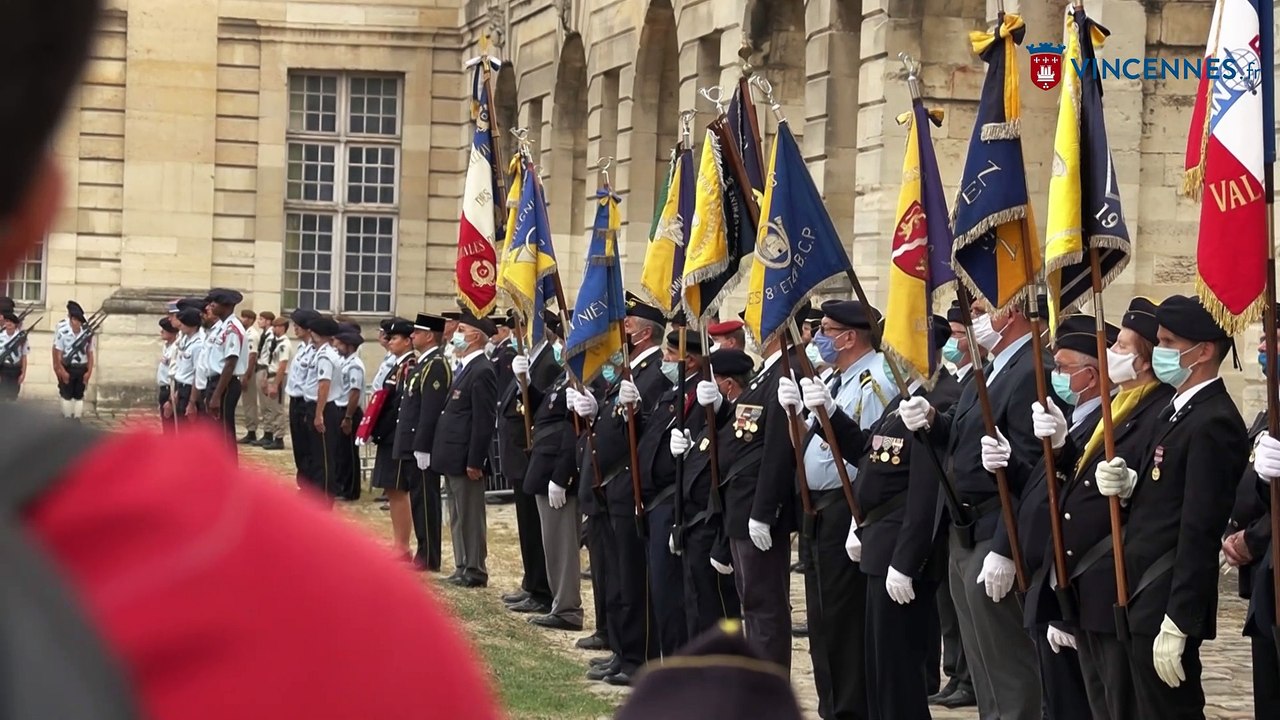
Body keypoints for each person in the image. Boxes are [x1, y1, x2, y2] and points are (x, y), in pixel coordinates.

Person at [6, 2, 500, 713]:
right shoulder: (354, 616)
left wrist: (220, 395)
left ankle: (334, 492)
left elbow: (269, 377)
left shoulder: (244, 344)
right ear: (40, 207)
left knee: (310, 456)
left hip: (282, 406)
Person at [900, 300, 1063, 720]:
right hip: (965, 529)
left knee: (1009, 667)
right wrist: (931, 418)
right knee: (982, 662)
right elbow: (960, 431)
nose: (973, 320)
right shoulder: (991, 368)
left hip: (995, 529)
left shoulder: (1032, 371)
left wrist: (1007, 548)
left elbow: (1035, 473)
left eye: (980, 308)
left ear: (1011, 312)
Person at [1094, 294, 1248, 719]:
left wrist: (1181, 618)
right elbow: (1165, 498)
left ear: (1203, 351)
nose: (1159, 350)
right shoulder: (1176, 412)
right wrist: (1130, 487)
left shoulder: (1213, 421)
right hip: (1142, 594)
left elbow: (1199, 529)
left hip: (1164, 599)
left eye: (1167, 342)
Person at [799, 316, 956, 720]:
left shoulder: (937, 401)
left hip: (900, 553)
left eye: (900, 346)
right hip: (879, 545)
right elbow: (869, 453)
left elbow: (925, 493)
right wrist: (829, 412)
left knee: (899, 675)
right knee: (881, 668)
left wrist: (906, 562)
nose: (891, 354)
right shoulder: (904, 396)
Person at [982, 314, 1117, 720]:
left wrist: (1063, 605)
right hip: (1045, 579)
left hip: (1069, 585)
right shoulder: (1074, 420)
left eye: (1062, 367)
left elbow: (1082, 510)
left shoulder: (1104, 425)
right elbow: (1044, 491)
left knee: (1072, 704)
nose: (1054, 375)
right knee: (1054, 700)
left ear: (1090, 376)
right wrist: (1009, 465)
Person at [1044, 297, 1169, 720]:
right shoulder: (1120, 405)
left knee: (1122, 705)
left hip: (1118, 582)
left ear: (1144, 361)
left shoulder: (1157, 411)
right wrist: (1061, 448)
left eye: (1120, 347)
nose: (1111, 352)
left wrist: (1133, 488)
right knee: (1101, 703)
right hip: (1088, 585)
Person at [777, 299, 894, 720]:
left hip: (847, 510)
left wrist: (860, 518)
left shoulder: (874, 380)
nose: (817, 338)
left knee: (844, 624)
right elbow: (809, 442)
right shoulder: (833, 378)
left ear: (848, 337)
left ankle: (850, 710)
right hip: (819, 510)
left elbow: (872, 455)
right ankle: (832, 707)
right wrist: (794, 413)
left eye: (825, 330)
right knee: (823, 622)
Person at [701, 306, 808, 673]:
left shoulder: (787, 372)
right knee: (752, 603)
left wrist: (764, 512)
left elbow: (778, 450)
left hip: (757, 510)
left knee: (765, 607)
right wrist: (720, 407)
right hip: (741, 506)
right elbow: (745, 432)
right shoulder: (767, 372)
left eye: (757, 324)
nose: (752, 331)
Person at [572, 293, 669, 686]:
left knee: (632, 578)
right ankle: (621, 650)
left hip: (631, 486)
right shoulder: (630, 370)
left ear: (644, 333)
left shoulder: (657, 372)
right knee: (615, 575)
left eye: (627, 325)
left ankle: (638, 657)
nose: (620, 330)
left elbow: (652, 429)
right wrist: (595, 410)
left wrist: (638, 410)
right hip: (610, 486)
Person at [637, 328, 712, 656]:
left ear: (689, 360)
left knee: (673, 596)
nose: (663, 360)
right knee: (661, 592)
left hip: (674, 502)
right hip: (655, 501)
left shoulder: (702, 395)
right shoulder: (673, 392)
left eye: (669, 355)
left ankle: (679, 667)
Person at [668, 348, 746, 637]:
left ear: (728, 385)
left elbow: (734, 482)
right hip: (694, 528)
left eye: (713, 382)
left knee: (717, 613)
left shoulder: (739, 421)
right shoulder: (713, 422)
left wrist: (723, 545)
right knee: (697, 609)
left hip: (714, 531)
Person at [930, 300, 983, 708]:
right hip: (948, 508)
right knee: (949, 603)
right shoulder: (957, 383)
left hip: (969, 508)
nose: (955, 342)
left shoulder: (960, 386)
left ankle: (967, 676)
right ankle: (956, 672)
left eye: (960, 334)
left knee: (966, 604)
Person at [518, 322, 584, 632]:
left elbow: (574, 431)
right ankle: (559, 603)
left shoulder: (582, 379)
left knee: (563, 547)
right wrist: (525, 381)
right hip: (543, 468)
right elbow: (544, 410)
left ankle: (568, 609)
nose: (560, 346)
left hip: (557, 472)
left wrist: (562, 476)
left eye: (565, 340)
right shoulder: (563, 376)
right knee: (552, 546)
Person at [497, 310, 560, 616]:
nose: (515, 333)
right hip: (520, 457)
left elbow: (545, 409)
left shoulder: (547, 363)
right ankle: (531, 582)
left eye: (521, 327)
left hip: (531, 455)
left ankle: (541, 590)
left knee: (535, 528)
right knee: (526, 526)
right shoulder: (529, 360)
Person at [432, 313, 498, 588]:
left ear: (475, 336)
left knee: (470, 515)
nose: (455, 334)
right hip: (452, 455)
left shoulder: (482, 370)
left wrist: (475, 460)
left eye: (461, 329)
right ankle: (462, 564)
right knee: (457, 514)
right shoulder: (465, 367)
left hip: (466, 457)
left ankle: (475, 568)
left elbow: (483, 421)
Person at [394, 313, 450, 572]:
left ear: (429, 336)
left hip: (421, 444)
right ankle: (422, 551)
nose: (412, 336)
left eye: (417, 332)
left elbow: (430, 410)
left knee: (426, 501)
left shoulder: (435, 364)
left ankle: (428, 556)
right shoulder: (423, 363)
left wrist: (423, 446)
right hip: (411, 441)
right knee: (418, 499)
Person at [370, 318, 417, 557]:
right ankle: (398, 542)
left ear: (408, 341)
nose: (390, 342)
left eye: (395, 338)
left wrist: (382, 429)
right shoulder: (397, 365)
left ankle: (403, 545)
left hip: (396, 436)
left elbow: (400, 405)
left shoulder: (409, 366)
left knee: (398, 490)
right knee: (391, 489)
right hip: (387, 435)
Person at [201, 289, 247, 452]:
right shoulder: (221, 327)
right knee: (215, 433)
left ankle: (229, 466)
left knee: (224, 432)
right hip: (215, 382)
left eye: (216, 302)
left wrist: (216, 395)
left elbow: (230, 363)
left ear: (227, 306)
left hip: (225, 384)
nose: (211, 305)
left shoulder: (232, 329)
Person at [304, 316, 342, 503]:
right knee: (316, 454)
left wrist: (319, 414)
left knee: (324, 457)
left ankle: (325, 497)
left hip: (324, 408)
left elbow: (324, 385)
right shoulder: (320, 353)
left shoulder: (325, 356)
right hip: (317, 406)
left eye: (312, 331)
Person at [285, 309, 319, 486]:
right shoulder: (302, 348)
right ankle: (303, 480)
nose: (295, 328)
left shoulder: (316, 351)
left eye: (299, 325)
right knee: (298, 443)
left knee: (308, 445)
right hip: (295, 399)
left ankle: (310, 484)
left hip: (306, 402)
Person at [332, 329, 365, 501]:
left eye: (340, 344)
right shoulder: (345, 362)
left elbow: (354, 393)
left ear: (350, 346)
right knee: (340, 451)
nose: (337, 347)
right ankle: (340, 486)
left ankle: (351, 490)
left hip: (349, 411)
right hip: (340, 409)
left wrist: (348, 417)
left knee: (350, 453)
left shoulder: (355, 365)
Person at [53, 300, 95, 420]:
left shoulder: (87, 335)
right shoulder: (63, 333)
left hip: (81, 368)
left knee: (79, 395)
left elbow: (90, 354)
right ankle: (67, 417)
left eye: (78, 320)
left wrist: (89, 372)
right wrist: (61, 370)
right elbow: (58, 353)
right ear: (70, 319)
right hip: (68, 368)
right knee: (67, 394)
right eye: (74, 319)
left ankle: (77, 418)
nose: (76, 323)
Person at [257, 315, 290, 450]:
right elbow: (270, 361)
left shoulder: (284, 344)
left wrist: (276, 384)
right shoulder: (276, 342)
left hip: (278, 377)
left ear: (283, 328)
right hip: (270, 374)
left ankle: (279, 438)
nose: (274, 329)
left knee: (277, 409)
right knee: (270, 407)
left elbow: (282, 365)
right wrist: (265, 379)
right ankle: (270, 435)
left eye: (276, 326)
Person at [238, 308, 262, 444]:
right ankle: (250, 429)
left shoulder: (252, 335)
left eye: (247, 318)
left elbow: (252, 355)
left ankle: (252, 430)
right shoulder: (244, 332)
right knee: (246, 402)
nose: (244, 320)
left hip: (249, 371)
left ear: (252, 320)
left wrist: (247, 376)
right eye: (243, 317)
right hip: (243, 369)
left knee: (249, 401)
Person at [0, 311, 30, 400]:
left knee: (13, 396)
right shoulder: (0, 336)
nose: (9, 324)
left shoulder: (21, 338)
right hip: (3, 369)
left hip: (15, 370)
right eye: (7, 321)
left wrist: (23, 373)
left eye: (11, 322)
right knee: (2, 396)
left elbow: (24, 356)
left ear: (16, 324)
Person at [156, 318, 178, 429]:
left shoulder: (176, 348)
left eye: (164, 329)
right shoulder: (166, 346)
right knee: (165, 424)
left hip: (170, 388)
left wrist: (170, 399)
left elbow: (175, 373)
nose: (161, 332)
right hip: (163, 388)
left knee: (171, 425)